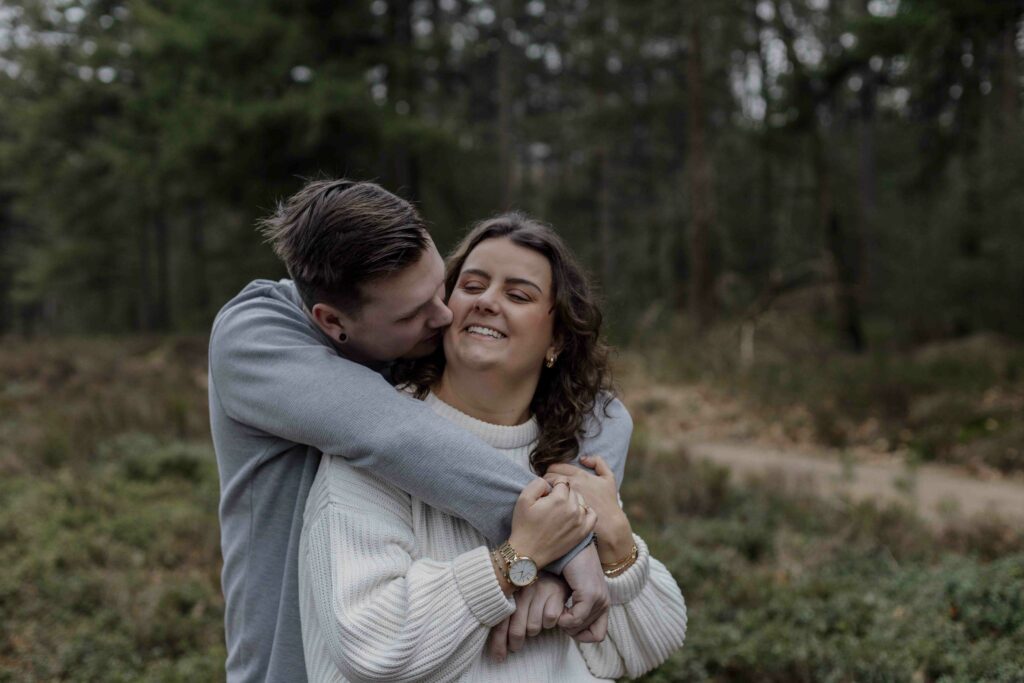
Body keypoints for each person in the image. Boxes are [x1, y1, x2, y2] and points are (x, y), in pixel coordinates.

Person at [208, 180, 633, 682]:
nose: (446, 314)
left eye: (440, 288)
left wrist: (571, 524)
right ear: (332, 322)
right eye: (415, 313)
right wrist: (562, 545)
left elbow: (601, 410)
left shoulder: (413, 334)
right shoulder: (254, 339)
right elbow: (390, 431)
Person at [298, 213, 687, 681]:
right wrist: (516, 561)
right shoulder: (373, 444)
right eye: (472, 285)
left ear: (557, 339)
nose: (486, 302)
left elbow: (650, 644)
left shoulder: (569, 455)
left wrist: (617, 544)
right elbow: (373, 644)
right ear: (443, 309)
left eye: (517, 295)